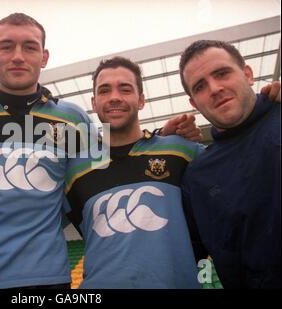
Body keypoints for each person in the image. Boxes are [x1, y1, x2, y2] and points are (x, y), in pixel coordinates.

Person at [0, 13, 200, 289]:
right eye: (7, 46)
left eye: (30, 47)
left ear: (44, 57)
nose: (18, 56)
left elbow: (120, 153)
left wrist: (161, 137)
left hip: (43, 277)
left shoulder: (72, 120)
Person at [64, 56, 206, 288]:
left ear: (141, 100)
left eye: (125, 89)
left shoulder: (182, 151)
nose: (115, 97)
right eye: (104, 90)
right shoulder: (74, 170)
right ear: (94, 102)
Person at [179, 40, 281, 288]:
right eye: (200, 86)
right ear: (194, 103)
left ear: (247, 74)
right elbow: (189, 256)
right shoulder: (197, 175)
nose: (214, 88)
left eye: (222, 73)